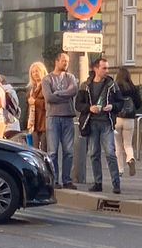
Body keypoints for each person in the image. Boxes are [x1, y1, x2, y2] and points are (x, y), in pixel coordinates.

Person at [76, 58, 124, 194]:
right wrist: (89, 108)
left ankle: (116, 183)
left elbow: (120, 102)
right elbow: (78, 104)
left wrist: (112, 106)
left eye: (107, 68)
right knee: (94, 153)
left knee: (110, 153)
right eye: (104, 68)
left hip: (106, 122)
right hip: (91, 123)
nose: (106, 71)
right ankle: (98, 183)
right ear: (95, 69)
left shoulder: (112, 85)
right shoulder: (85, 85)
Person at [42, 52, 78, 190]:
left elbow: (73, 90)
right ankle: (55, 180)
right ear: (56, 61)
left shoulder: (70, 77)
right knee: (53, 152)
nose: (66, 63)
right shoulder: (47, 79)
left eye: (67, 61)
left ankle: (67, 180)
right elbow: (49, 98)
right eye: (63, 61)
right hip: (53, 118)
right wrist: (64, 96)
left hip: (68, 117)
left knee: (68, 151)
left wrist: (59, 93)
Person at [114, 67, 142, 177]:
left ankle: (120, 170)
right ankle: (130, 158)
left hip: (117, 119)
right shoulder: (133, 88)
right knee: (128, 144)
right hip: (129, 119)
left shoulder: (115, 87)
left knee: (118, 145)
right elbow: (138, 104)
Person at [27, 61, 48, 150]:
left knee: (43, 149)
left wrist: (35, 102)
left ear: (43, 71)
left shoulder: (46, 86)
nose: (35, 74)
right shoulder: (32, 89)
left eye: (37, 71)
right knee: (34, 149)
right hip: (34, 124)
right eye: (33, 72)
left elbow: (48, 103)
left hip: (44, 122)